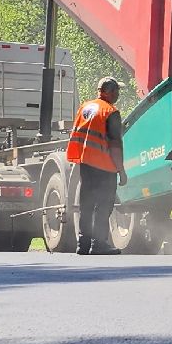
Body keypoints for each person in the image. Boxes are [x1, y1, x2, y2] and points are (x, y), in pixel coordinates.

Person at [65, 76, 126, 255]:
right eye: (116, 91)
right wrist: (121, 171)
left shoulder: (85, 107)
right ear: (108, 91)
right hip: (104, 166)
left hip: (85, 162)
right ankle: (98, 243)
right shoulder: (110, 112)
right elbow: (115, 144)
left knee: (87, 203)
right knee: (104, 205)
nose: (118, 95)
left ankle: (83, 244)